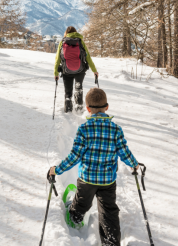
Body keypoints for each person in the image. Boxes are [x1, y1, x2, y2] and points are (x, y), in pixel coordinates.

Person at [49, 88, 139, 246]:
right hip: (107, 181)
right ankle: (111, 241)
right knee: (109, 212)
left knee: (81, 203)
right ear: (107, 107)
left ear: (88, 109)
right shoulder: (116, 130)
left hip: (87, 179)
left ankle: (75, 216)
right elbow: (124, 152)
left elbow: (74, 157)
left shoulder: (84, 129)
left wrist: (57, 170)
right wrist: (134, 164)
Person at [54, 26, 98, 112]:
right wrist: (94, 70)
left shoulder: (63, 42)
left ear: (66, 33)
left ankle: (68, 108)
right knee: (78, 88)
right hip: (80, 71)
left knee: (68, 91)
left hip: (66, 71)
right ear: (75, 32)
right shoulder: (80, 41)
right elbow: (88, 57)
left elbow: (58, 59)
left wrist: (55, 73)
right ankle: (79, 107)